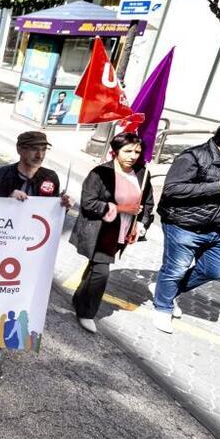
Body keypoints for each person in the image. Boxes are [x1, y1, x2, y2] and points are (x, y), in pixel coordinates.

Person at [0, 131, 72, 381]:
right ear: (20, 149)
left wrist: (62, 204)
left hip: (28, 254)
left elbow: (48, 215)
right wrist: (6, 202)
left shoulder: (49, 178)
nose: (39, 154)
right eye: (33, 148)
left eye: (43, 149)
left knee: (10, 300)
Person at [150, 119, 220, 333]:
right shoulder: (193, 156)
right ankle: (162, 308)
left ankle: (164, 291)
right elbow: (172, 189)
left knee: (214, 271)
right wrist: (218, 186)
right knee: (175, 270)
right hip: (185, 226)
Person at [69, 132, 154, 332]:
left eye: (137, 152)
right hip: (100, 230)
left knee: (95, 267)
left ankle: (78, 298)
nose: (133, 156)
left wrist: (141, 224)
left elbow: (148, 203)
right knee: (101, 271)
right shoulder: (100, 173)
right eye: (128, 151)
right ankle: (86, 313)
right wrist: (123, 209)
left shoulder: (142, 173)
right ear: (115, 152)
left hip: (122, 231)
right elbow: (89, 204)